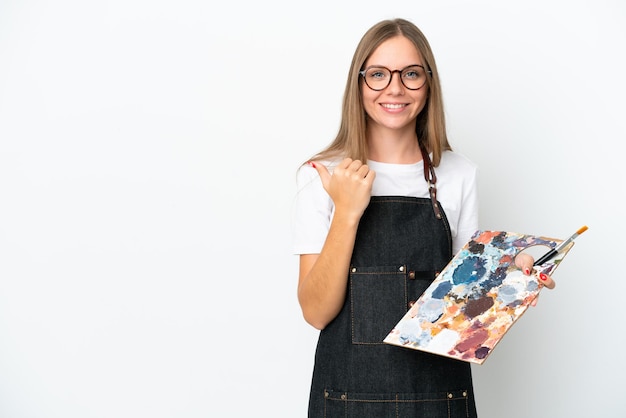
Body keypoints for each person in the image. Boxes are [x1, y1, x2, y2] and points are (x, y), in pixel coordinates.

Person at [292, 18, 555, 417]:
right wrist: (346, 211)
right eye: (378, 74)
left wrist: (510, 279)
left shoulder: (459, 174)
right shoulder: (323, 176)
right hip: (346, 401)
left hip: (438, 400)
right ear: (359, 83)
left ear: (428, 83)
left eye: (410, 74)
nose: (394, 88)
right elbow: (316, 313)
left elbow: (465, 305)